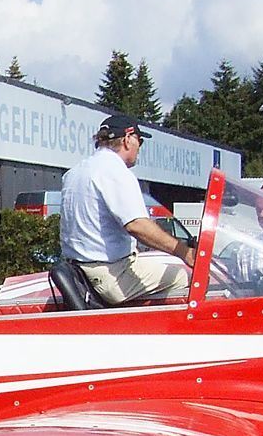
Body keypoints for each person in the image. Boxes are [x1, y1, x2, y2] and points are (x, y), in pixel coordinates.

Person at [60, 114, 195, 304]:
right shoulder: (115, 171)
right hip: (112, 275)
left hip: (81, 271)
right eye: (139, 141)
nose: (139, 147)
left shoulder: (74, 173)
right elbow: (137, 225)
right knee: (189, 276)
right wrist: (185, 252)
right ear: (127, 139)